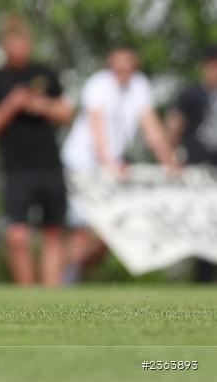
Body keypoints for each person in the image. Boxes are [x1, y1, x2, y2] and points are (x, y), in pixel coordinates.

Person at [62, 47, 179, 281]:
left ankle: (72, 274)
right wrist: (110, 165)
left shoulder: (140, 86)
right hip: (81, 166)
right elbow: (97, 132)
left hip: (111, 169)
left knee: (113, 231)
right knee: (81, 230)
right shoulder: (98, 85)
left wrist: (171, 164)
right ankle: (66, 282)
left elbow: (153, 130)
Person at [0, 17, 73, 287]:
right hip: (15, 169)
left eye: (22, 42)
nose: (18, 48)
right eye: (13, 42)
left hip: (50, 165)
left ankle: (51, 294)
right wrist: (12, 105)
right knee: (17, 235)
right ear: (4, 45)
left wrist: (42, 105)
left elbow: (66, 113)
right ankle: (27, 294)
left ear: (29, 43)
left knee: (53, 232)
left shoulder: (46, 73)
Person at [167, 45, 217, 282]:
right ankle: (202, 279)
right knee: (202, 227)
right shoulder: (191, 94)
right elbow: (175, 126)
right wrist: (172, 157)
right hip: (197, 171)